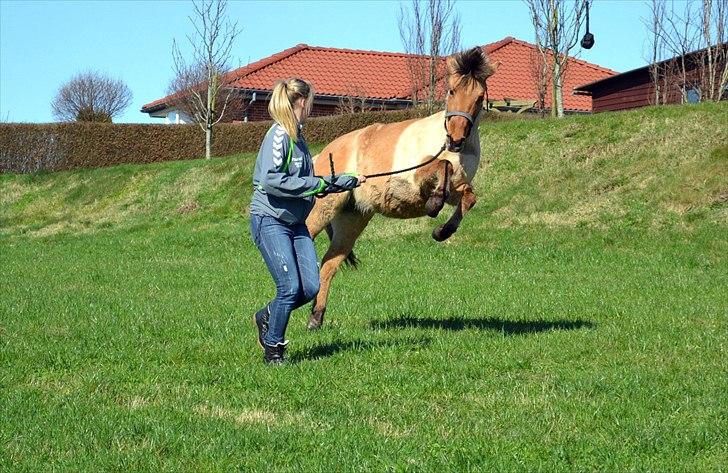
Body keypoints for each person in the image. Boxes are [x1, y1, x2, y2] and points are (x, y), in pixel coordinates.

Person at [250, 78, 366, 364]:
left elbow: (309, 181)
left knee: (310, 287)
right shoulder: (279, 135)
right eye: (310, 101)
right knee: (289, 287)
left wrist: (343, 181)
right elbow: (271, 179)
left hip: (296, 223)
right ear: (301, 102)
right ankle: (274, 350)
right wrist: (314, 186)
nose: (311, 107)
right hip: (270, 220)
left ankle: (267, 316)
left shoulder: (298, 138)